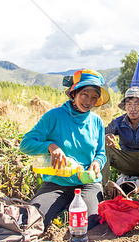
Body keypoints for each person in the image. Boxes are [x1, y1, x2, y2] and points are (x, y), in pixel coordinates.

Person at [19, 69, 109, 230]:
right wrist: (49, 146)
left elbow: (101, 153)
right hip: (57, 182)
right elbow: (25, 144)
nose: (89, 101)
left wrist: (97, 162)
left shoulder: (96, 121)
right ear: (73, 93)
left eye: (94, 97)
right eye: (84, 94)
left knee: (92, 223)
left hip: (88, 182)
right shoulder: (54, 116)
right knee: (33, 221)